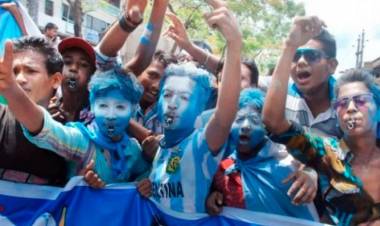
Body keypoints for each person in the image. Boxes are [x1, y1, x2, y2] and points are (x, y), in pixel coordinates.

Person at [262, 16, 380, 225]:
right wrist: (289, 45)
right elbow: (273, 122)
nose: (351, 108)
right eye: (342, 103)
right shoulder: (328, 153)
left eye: (361, 100)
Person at [137, 0, 242, 213]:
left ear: (203, 109)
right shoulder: (162, 147)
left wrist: (233, 43)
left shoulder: (199, 145)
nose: (172, 104)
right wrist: (149, 186)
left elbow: (224, 115)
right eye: (167, 94)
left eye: (184, 98)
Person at [0, 40, 150, 183]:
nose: (111, 114)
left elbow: (149, 173)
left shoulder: (133, 149)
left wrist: (142, 183)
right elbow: (48, 130)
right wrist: (11, 90)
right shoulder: (80, 139)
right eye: (67, 62)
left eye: (120, 107)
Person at [206, 88, 318, 221]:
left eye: (254, 120)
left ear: (266, 127)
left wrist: (311, 173)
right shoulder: (225, 166)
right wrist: (212, 196)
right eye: (239, 119)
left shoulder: (286, 166)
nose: (245, 126)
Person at [0, 36, 67, 186]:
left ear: (55, 80)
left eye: (30, 71)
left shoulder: (67, 131)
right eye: (14, 72)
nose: (19, 79)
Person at [263, 17, 340, 138]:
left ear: (331, 65)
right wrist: (289, 46)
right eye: (295, 55)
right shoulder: (280, 95)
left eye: (312, 55)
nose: (301, 62)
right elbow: (272, 123)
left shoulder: (347, 104)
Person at [48, 37, 96, 124]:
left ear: (91, 74)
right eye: (67, 62)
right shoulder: (49, 109)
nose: (74, 68)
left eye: (83, 65)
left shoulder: (98, 112)